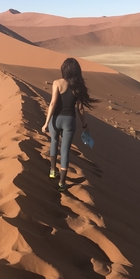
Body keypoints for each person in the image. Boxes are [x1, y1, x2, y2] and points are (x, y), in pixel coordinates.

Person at [42, 58, 97, 192]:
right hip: (69, 121)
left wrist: (46, 122)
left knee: (54, 142)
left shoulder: (57, 83)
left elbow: (53, 103)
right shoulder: (78, 87)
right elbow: (80, 109)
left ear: (64, 69)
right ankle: (62, 183)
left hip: (56, 119)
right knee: (65, 150)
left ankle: (52, 170)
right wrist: (84, 126)